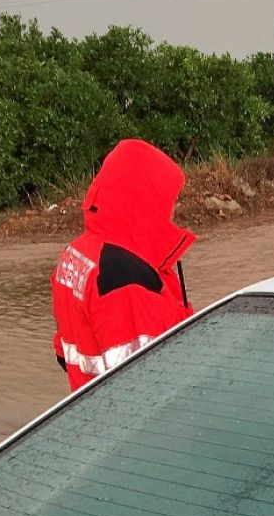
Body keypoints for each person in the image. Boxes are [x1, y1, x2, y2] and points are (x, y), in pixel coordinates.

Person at [51, 139, 196, 391]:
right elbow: (153, 382)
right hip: (129, 412)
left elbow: (64, 354)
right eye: (169, 200)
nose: (173, 210)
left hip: (89, 404)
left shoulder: (76, 254)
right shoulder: (124, 275)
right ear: (145, 199)